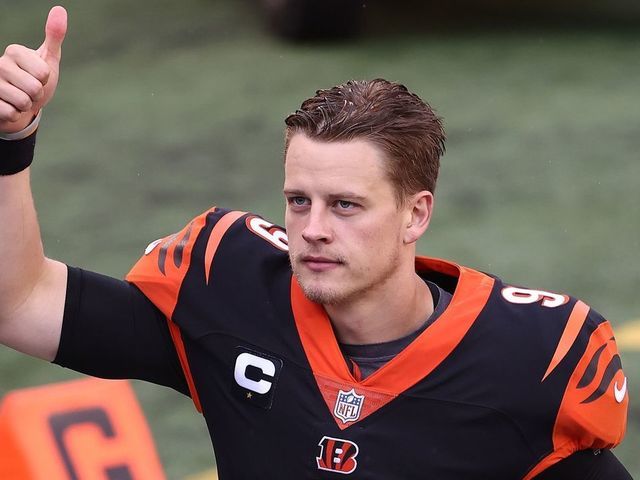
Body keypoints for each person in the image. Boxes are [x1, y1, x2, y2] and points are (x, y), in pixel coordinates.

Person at [0, 6, 632, 479]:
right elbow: (19, 303)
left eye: (346, 206)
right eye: (299, 200)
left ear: (416, 216)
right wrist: (12, 143)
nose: (314, 228)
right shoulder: (232, 294)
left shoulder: (531, 362)